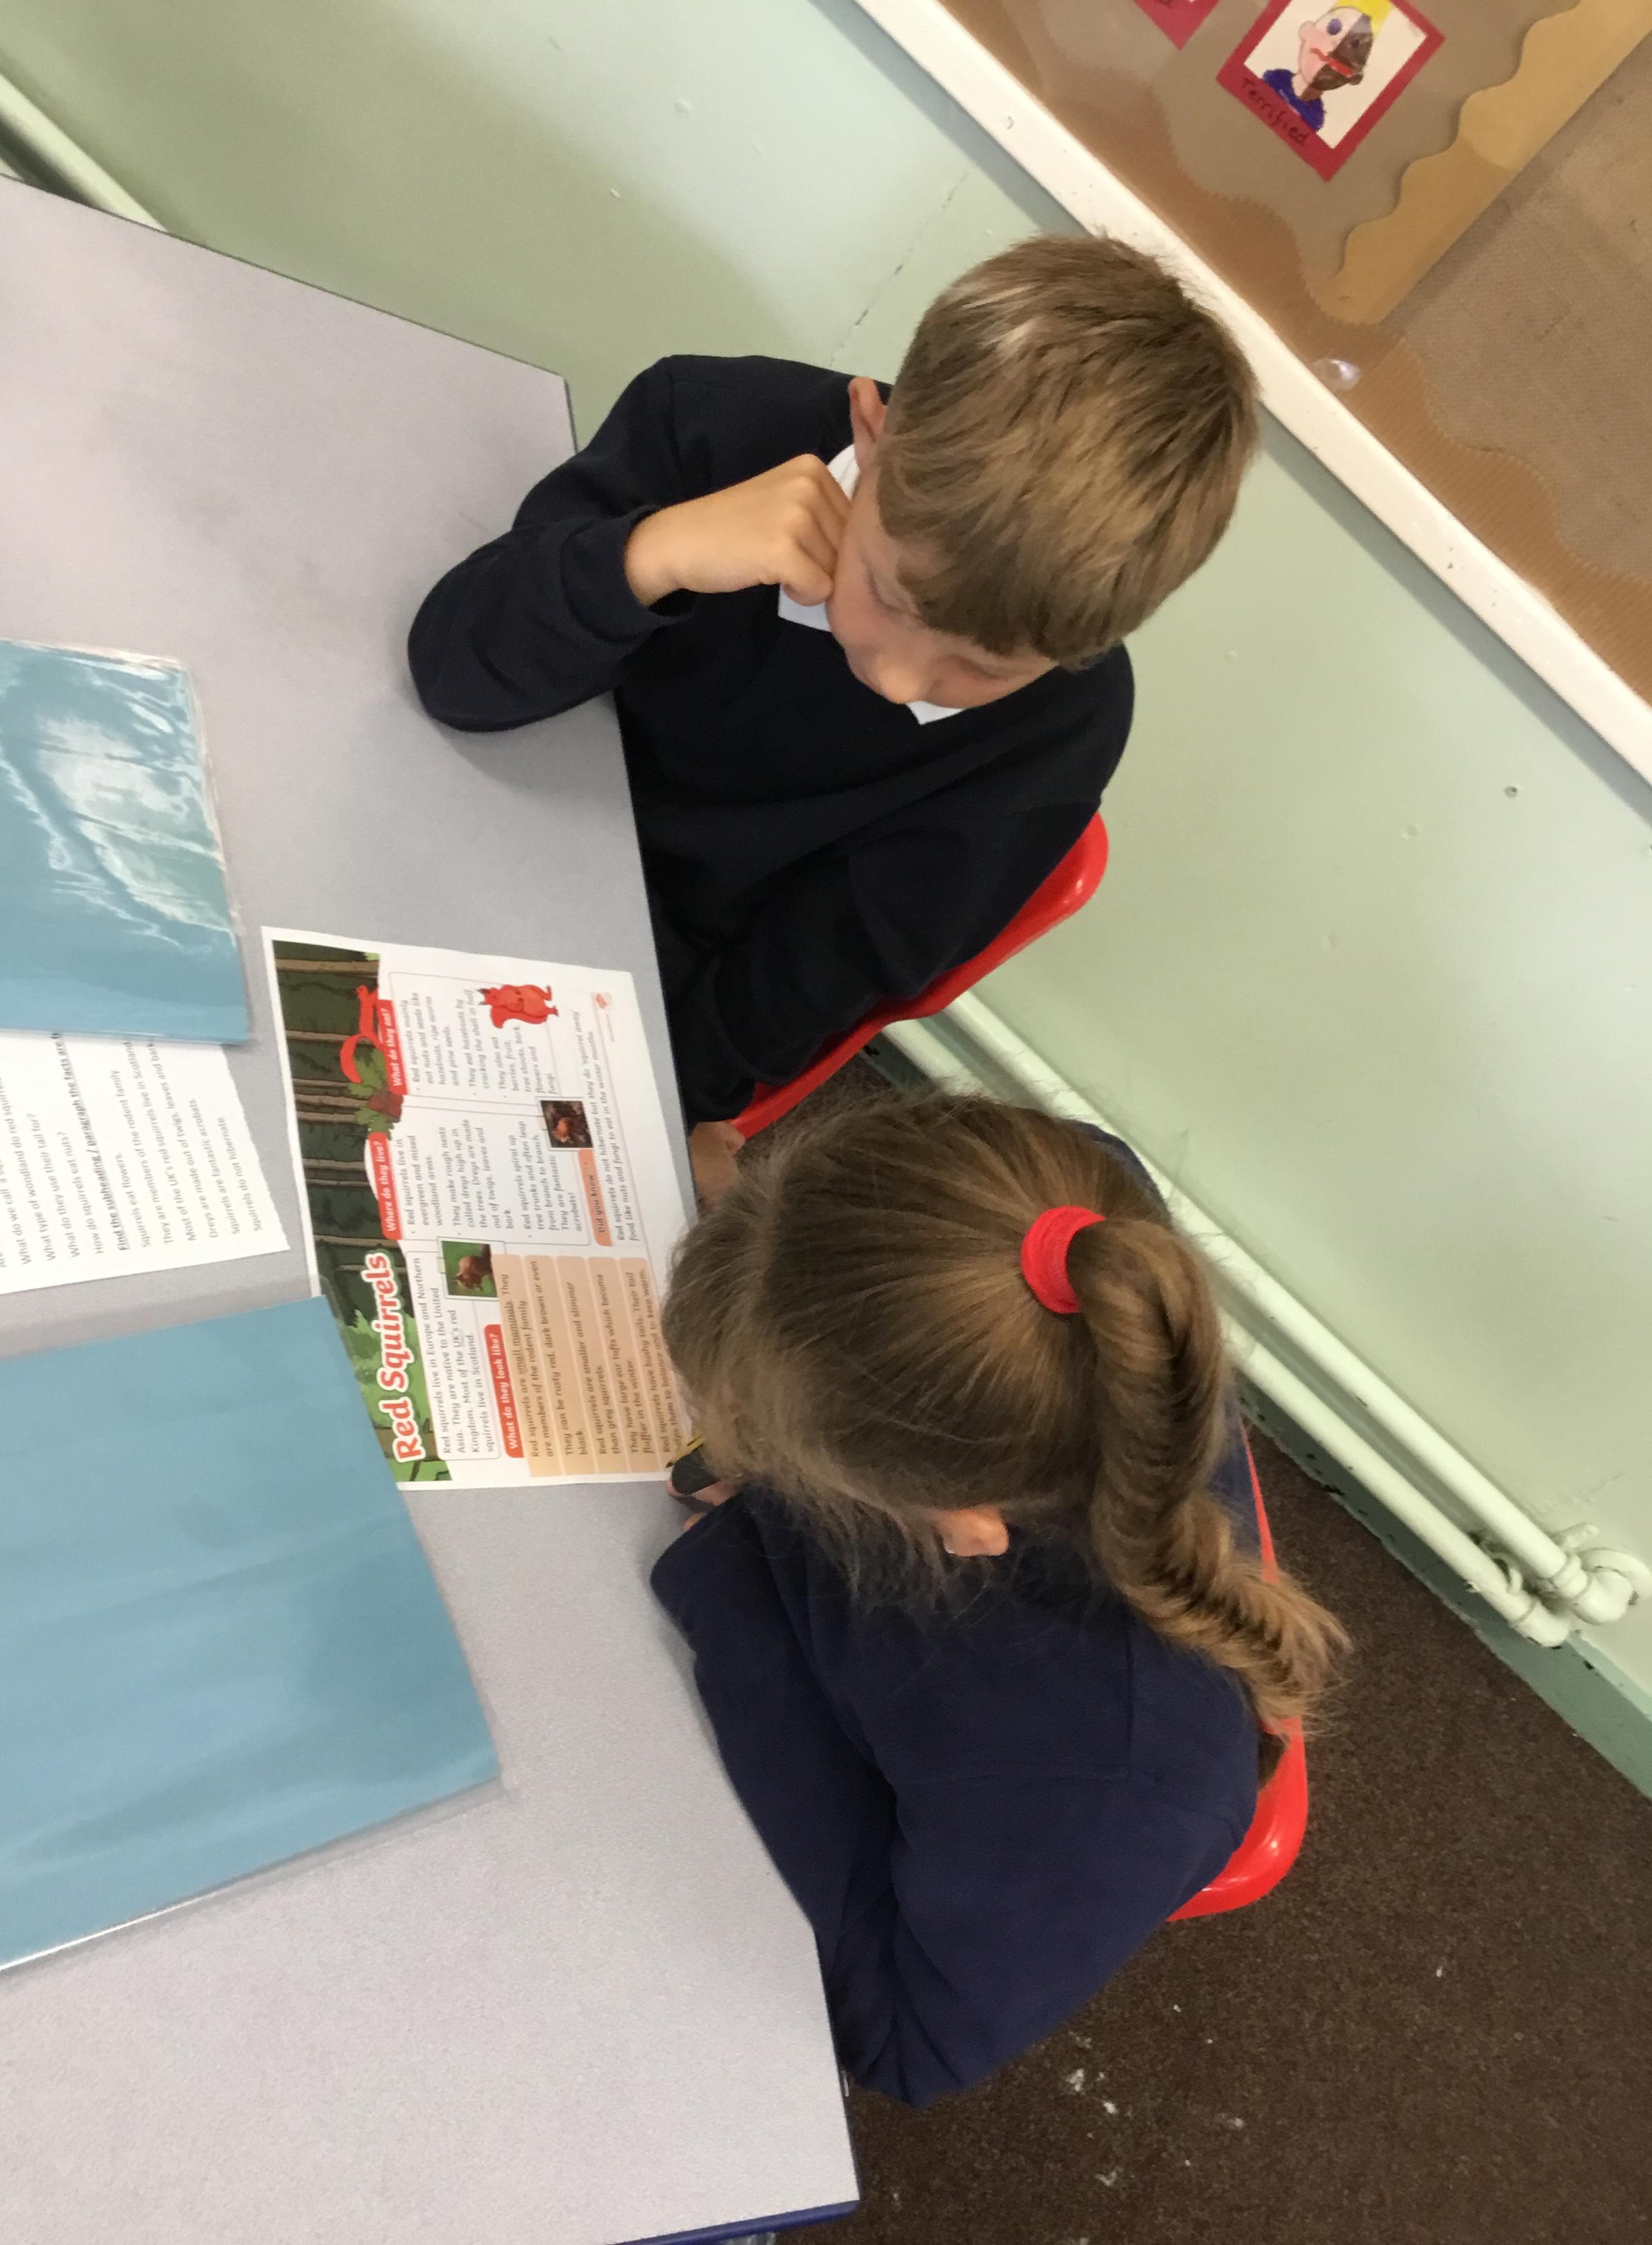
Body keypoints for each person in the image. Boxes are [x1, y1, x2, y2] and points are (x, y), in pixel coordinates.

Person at [407, 238, 1258, 1166]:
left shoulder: (1062, 736)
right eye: (890, 596)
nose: (898, 682)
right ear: (871, 432)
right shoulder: (714, 425)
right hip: (461, 808)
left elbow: (773, 1006)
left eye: (982, 668)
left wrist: (623, 1107)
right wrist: (653, 555)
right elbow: (455, 673)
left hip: (631, 986)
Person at [653, 1095, 1345, 2107]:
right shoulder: (1062, 1213)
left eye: (767, 1433)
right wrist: (768, 1218)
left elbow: (905, 2041)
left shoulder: (1108, 1790)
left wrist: (740, 1605)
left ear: (960, 1527)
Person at [1263, 9, 1375, 132]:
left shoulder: (1314, 120)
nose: (1335, 48)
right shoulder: (1273, 79)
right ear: (1307, 31)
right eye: (1334, 27)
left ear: (1354, 77)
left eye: (1353, 45)